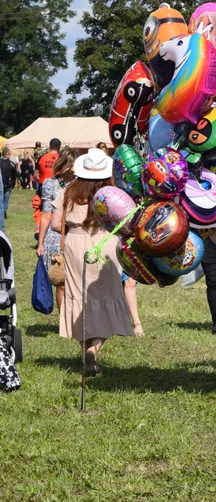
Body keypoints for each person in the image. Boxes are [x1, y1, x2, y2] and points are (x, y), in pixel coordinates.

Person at [52, 149, 133, 376]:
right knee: (108, 296)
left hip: (75, 245)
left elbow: (56, 225)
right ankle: (94, 350)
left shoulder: (69, 190)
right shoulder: (113, 193)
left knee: (79, 298)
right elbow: (127, 221)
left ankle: (85, 350)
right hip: (105, 242)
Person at [38, 148, 77, 315]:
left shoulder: (80, 183)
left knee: (75, 280)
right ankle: (64, 321)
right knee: (61, 281)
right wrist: (40, 243)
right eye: (73, 163)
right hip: (56, 237)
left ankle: (76, 317)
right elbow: (46, 215)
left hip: (76, 233)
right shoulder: (50, 184)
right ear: (65, 164)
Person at [0, 148, 16, 225]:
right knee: (6, 199)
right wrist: (13, 183)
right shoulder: (11, 163)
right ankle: (4, 211)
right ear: (8, 154)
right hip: (8, 184)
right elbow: (15, 174)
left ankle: (2, 212)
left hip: (1, 184)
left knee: (1, 198)